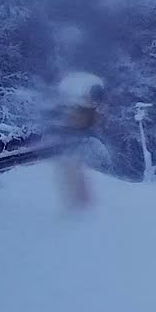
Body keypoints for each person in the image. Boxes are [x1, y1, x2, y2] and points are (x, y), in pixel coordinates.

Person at [53, 72, 105, 209]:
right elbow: (78, 122)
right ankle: (78, 202)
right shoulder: (84, 106)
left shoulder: (89, 107)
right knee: (73, 170)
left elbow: (89, 122)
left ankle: (80, 201)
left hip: (76, 139)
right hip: (71, 139)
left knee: (77, 170)